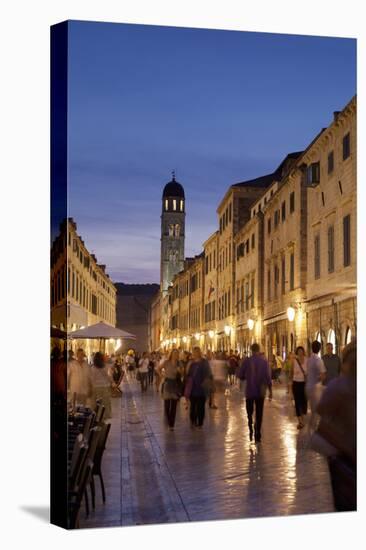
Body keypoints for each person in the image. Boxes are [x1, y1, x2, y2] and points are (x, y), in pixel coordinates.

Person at [316, 341, 356, 511]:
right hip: (343, 458)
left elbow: (322, 417)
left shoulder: (338, 387)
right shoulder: (338, 387)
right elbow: (322, 417)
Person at [237, 343, 272, 443]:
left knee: (249, 411)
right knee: (259, 412)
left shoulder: (246, 361)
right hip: (260, 392)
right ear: (259, 350)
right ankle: (258, 432)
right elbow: (268, 377)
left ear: (251, 350)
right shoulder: (264, 362)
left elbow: (240, 374)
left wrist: (245, 376)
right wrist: (270, 391)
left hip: (250, 391)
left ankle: (250, 424)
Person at [184, 346, 212, 429]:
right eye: (194, 352)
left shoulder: (204, 362)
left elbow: (208, 374)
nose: (195, 354)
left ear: (199, 353)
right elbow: (187, 374)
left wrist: (206, 383)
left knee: (201, 406)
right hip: (193, 387)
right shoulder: (191, 363)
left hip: (202, 387)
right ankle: (193, 421)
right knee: (193, 406)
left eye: (197, 352)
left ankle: (200, 423)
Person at [158, 349, 182, 430]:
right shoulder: (166, 362)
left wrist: (180, 371)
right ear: (171, 354)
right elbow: (158, 368)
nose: (175, 355)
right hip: (167, 384)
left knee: (174, 406)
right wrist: (162, 376)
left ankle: (171, 425)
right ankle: (168, 421)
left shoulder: (179, 363)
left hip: (175, 384)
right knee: (167, 405)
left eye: (177, 354)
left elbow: (183, 373)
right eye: (174, 353)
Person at [306, 341, 326, 429]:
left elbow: (307, 373)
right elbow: (323, 375)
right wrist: (318, 378)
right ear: (320, 349)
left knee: (313, 410)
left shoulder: (309, 360)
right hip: (315, 388)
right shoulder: (319, 360)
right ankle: (312, 430)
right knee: (316, 411)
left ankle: (311, 429)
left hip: (308, 387)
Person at [289, 347, 308, 429]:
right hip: (296, 383)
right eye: (299, 351)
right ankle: (300, 421)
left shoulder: (307, 360)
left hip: (304, 383)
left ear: (303, 352)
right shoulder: (294, 361)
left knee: (304, 401)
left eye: (301, 351)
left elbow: (309, 371)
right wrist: (290, 383)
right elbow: (291, 372)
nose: (300, 353)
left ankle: (303, 419)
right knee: (297, 402)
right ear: (297, 352)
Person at [90, 351, 112, 419]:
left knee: (97, 403)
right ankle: (107, 415)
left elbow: (91, 378)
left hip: (95, 387)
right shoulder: (106, 367)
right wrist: (112, 382)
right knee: (106, 402)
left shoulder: (92, 368)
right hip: (105, 386)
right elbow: (109, 376)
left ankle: (98, 415)